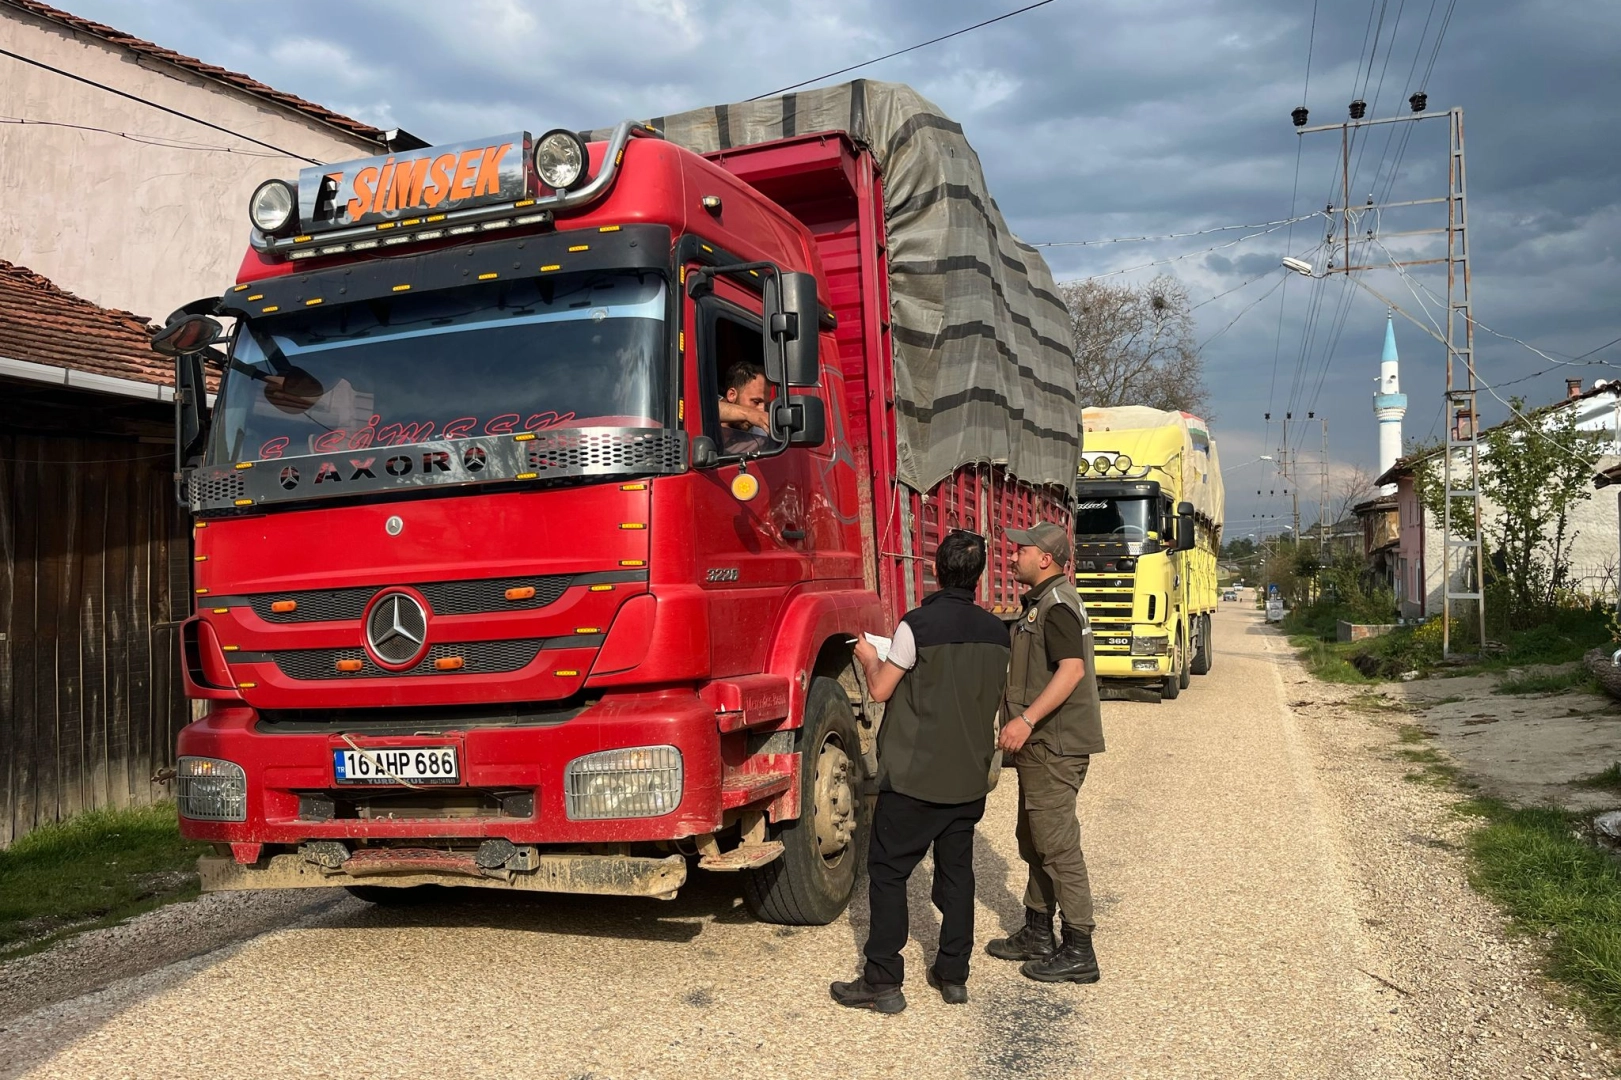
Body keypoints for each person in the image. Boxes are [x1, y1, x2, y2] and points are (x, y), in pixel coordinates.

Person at [830, 530, 1010, 1014]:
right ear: (979, 575)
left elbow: (883, 690)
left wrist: (871, 660)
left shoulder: (917, 627)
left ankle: (883, 980)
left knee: (888, 874)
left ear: (936, 568)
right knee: (957, 875)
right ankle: (953, 975)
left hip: (914, 779)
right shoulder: (998, 633)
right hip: (969, 778)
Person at [986, 521, 1105, 985]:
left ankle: (1079, 948)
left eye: (1021, 550)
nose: (1012, 555)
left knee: (1057, 846)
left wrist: (1026, 719)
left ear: (1046, 559)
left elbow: (1071, 671)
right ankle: (1038, 931)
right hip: (1042, 747)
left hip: (1055, 745)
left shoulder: (1055, 606)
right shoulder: (1041, 602)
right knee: (1033, 838)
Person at [716, 360, 772, 454]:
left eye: (765, 405)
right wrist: (748, 414)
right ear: (731, 395)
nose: (762, 410)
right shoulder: (705, 404)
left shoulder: (759, 436)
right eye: (756, 402)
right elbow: (705, 410)